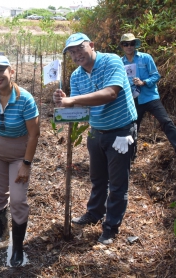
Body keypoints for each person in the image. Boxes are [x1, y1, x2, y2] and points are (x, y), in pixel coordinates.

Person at [53, 33, 138, 245]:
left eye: (79, 48)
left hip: (120, 132)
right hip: (96, 132)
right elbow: (83, 106)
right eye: (71, 52)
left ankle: (110, 227)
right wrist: (64, 102)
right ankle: (94, 212)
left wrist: (73, 100)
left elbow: (110, 93)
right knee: (98, 178)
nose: (76, 54)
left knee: (118, 184)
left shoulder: (111, 61)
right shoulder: (76, 76)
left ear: (91, 45)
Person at [0, 55, 40, 267]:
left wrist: (26, 164)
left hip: (19, 152)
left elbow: (34, 134)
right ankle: (2, 232)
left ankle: (18, 246)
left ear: (11, 72)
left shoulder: (25, 99)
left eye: (0, 71)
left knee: (17, 200)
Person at [120, 33, 176, 162]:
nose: (129, 46)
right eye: (126, 44)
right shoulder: (120, 62)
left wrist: (144, 82)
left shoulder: (145, 58)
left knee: (166, 121)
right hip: (134, 99)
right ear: (122, 46)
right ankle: (130, 156)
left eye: (131, 43)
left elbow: (156, 76)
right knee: (133, 127)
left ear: (135, 45)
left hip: (150, 97)